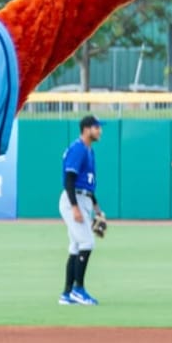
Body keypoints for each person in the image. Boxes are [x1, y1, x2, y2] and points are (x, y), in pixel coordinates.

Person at [59, 115, 103, 304]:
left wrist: (96, 208)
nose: (100, 130)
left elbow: (88, 182)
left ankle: (67, 294)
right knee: (87, 243)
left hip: (83, 197)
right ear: (86, 129)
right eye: (96, 127)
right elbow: (69, 179)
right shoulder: (78, 149)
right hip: (73, 199)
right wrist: (75, 207)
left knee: (76, 246)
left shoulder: (88, 150)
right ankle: (79, 289)